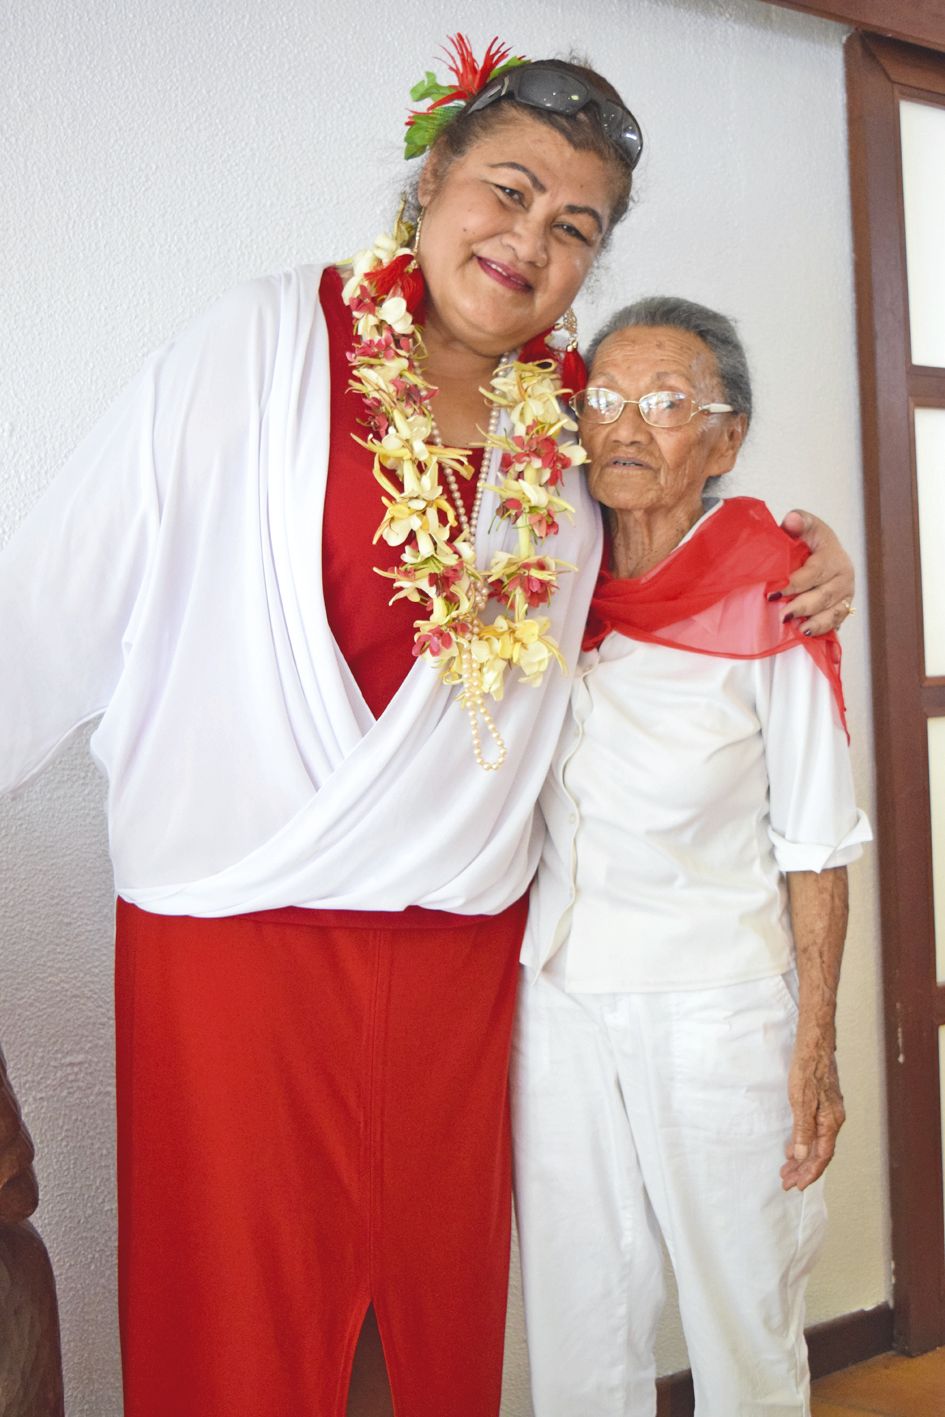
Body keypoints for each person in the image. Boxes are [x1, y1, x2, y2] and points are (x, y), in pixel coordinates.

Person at [0, 38, 855, 1417]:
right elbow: (41, 604)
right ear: (431, 177)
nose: (528, 241)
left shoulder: (568, 435)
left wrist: (810, 561)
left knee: (424, 1329)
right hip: (235, 953)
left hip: (460, 963)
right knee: (242, 1329)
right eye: (506, 191)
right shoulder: (262, 345)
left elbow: (675, 575)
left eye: (573, 228)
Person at [512, 295, 870, 1417]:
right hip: (557, 1001)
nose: (625, 426)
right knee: (578, 1312)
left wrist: (814, 1048)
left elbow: (817, 842)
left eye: (666, 403)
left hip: (715, 1007)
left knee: (743, 1314)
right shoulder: (548, 564)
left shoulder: (775, 591)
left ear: (724, 439)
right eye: (604, 400)